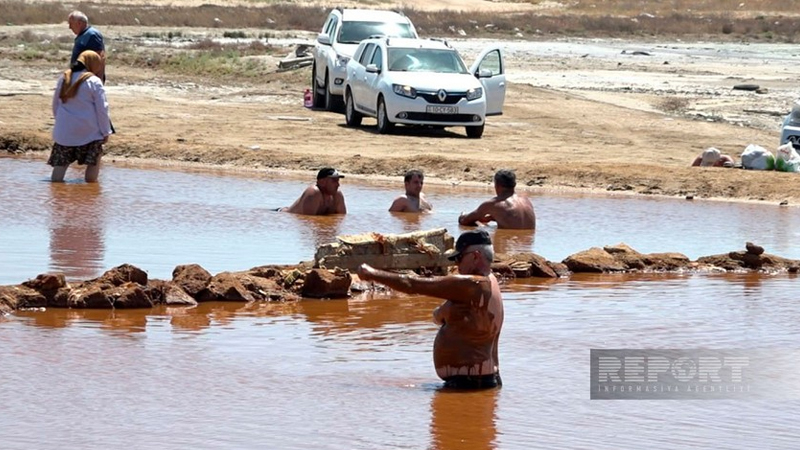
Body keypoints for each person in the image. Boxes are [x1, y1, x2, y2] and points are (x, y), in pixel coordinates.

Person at [357, 229, 504, 389]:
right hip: (482, 380)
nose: (456, 265)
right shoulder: (491, 281)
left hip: (469, 384)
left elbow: (412, 284)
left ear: (475, 256)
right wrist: (443, 313)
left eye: (459, 258)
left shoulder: (472, 284)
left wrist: (371, 273)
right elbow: (439, 316)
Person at [48, 50, 112, 183]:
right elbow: (102, 110)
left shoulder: (64, 78)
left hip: (64, 132)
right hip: (89, 132)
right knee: (93, 162)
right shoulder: (94, 82)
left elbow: (55, 106)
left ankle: (57, 198)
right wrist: (106, 131)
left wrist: (62, 123)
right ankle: (91, 192)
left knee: (60, 166)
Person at [458, 169, 536, 230]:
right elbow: (517, 221)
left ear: (497, 185)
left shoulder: (494, 204)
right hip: (526, 247)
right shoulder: (526, 200)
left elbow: (464, 221)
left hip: (510, 243)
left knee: (479, 226)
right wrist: (494, 218)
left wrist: (463, 215)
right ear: (514, 184)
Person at [279, 168, 347, 215]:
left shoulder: (337, 195)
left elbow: (341, 217)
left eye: (338, 181)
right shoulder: (314, 192)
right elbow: (307, 220)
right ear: (322, 182)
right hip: (281, 214)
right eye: (334, 181)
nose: (338, 184)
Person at [68, 11, 105, 82]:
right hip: (80, 78)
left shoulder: (92, 35)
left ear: (79, 23)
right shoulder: (83, 35)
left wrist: (98, 80)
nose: (69, 27)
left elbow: (100, 58)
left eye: (71, 24)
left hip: (88, 80)